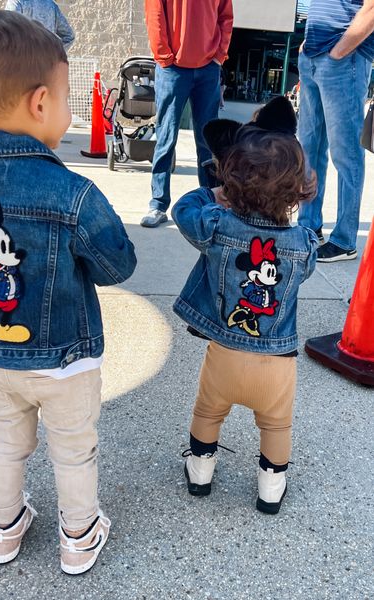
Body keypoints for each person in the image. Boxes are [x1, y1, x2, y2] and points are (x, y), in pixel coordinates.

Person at [0, 8, 136, 574]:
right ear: (38, 102)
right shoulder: (72, 191)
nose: (69, 109)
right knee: (72, 448)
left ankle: (1, 530)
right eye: (65, 95)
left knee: (6, 441)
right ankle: (78, 536)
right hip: (66, 359)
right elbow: (117, 265)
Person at [172, 97, 318, 514]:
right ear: (298, 186)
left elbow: (182, 209)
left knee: (208, 411)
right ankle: (271, 488)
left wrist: (213, 194)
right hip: (277, 364)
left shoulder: (217, 225)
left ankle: (200, 471)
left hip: (225, 355)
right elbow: (301, 270)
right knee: (276, 424)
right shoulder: (304, 244)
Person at [140, 0, 233, 228]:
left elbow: (225, 16)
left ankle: (212, 202)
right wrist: (164, 57)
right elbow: (155, 15)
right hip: (172, 68)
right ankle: (158, 204)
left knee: (208, 141)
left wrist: (219, 55)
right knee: (166, 136)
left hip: (208, 67)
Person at [298, 0, 374, 262]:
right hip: (312, 55)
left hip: (345, 59)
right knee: (309, 148)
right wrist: (307, 46)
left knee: (346, 154)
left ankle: (344, 240)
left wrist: (339, 51)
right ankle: (309, 226)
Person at [5, 0, 74, 50]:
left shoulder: (16, 2)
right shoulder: (52, 5)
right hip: (46, 65)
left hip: (22, 63)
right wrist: (54, 54)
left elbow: (8, 32)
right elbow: (69, 36)